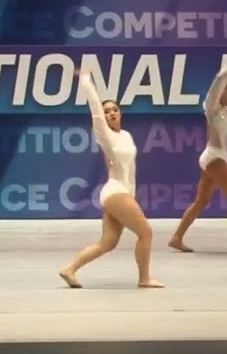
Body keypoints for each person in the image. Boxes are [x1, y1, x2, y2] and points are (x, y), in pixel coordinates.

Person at [59, 70, 164, 289]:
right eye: (107, 112)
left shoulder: (126, 135)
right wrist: (86, 82)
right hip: (116, 191)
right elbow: (95, 110)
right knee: (146, 232)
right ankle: (144, 278)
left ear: (121, 113)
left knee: (107, 242)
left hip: (123, 192)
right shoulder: (105, 135)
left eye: (115, 110)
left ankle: (69, 269)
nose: (111, 114)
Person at [168, 57, 227, 254]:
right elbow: (218, 81)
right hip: (214, 157)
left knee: (201, 201)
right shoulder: (212, 107)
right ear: (220, 93)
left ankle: (176, 238)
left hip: (215, 157)